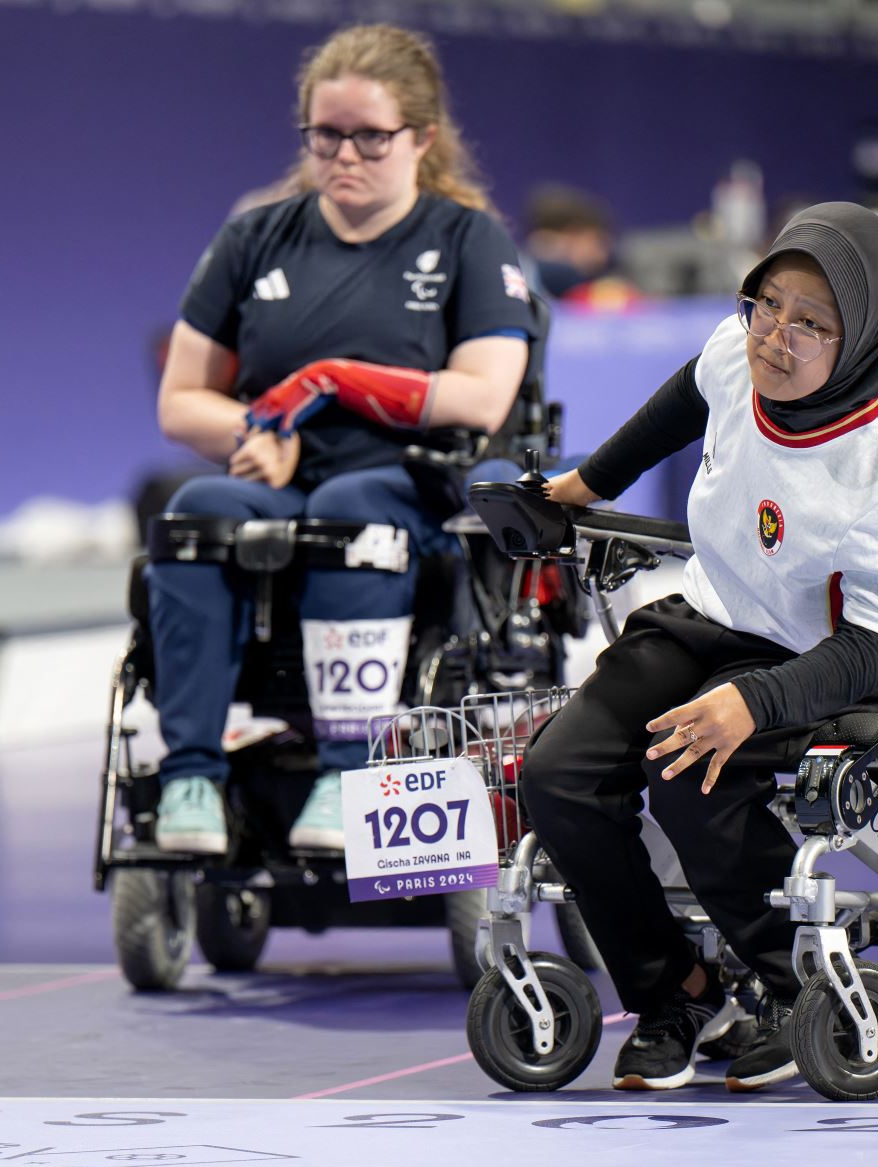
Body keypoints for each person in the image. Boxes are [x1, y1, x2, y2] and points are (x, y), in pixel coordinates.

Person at [523, 202, 878, 1092]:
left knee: (689, 772)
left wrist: (754, 701)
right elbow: (688, 393)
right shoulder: (737, 349)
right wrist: (585, 482)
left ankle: (788, 985)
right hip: (717, 615)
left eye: (812, 324)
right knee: (558, 772)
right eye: (768, 307)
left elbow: (876, 645)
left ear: (861, 337)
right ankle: (677, 992)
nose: (776, 339)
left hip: (841, 652)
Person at [149, 24, 538, 855]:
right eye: (326, 135)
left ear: (422, 138)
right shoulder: (256, 239)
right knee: (196, 510)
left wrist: (330, 380)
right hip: (283, 477)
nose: (345, 155)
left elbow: (482, 394)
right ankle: (189, 778)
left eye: (370, 136)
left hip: (413, 484)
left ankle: (346, 772)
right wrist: (258, 429)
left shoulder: (468, 240)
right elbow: (182, 402)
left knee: (349, 506)